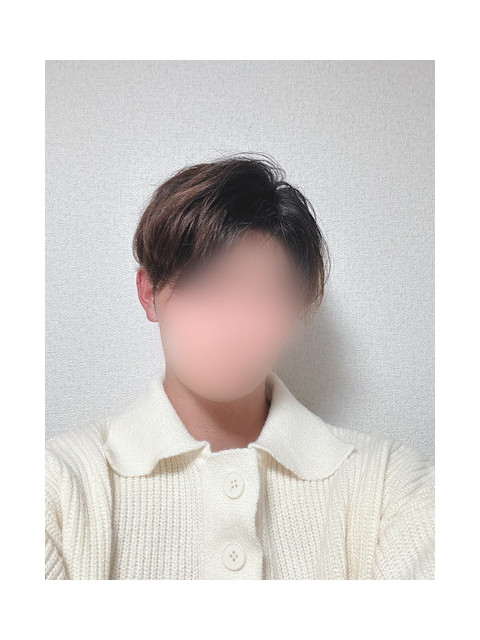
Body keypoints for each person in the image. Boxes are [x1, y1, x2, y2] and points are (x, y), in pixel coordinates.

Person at [45, 152, 434, 580]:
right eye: (204, 286)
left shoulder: (390, 484)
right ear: (148, 293)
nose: (234, 325)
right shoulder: (58, 485)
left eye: (265, 293)